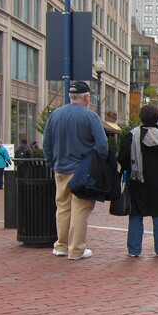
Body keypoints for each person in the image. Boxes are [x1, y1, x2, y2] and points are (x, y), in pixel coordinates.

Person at [43, 81, 108, 260]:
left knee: (62, 208)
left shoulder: (55, 114)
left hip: (60, 168)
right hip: (82, 170)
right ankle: (76, 249)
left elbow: (47, 143)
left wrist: (52, 163)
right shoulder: (90, 116)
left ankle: (61, 246)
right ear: (86, 97)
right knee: (80, 209)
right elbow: (102, 144)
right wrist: (98, 163)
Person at [117, 104, 158, 257]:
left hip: (138, 181)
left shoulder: (132, 135)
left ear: (141, 117)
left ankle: (134, 250)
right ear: (157, 118)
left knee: (136, 214)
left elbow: (122, 157)